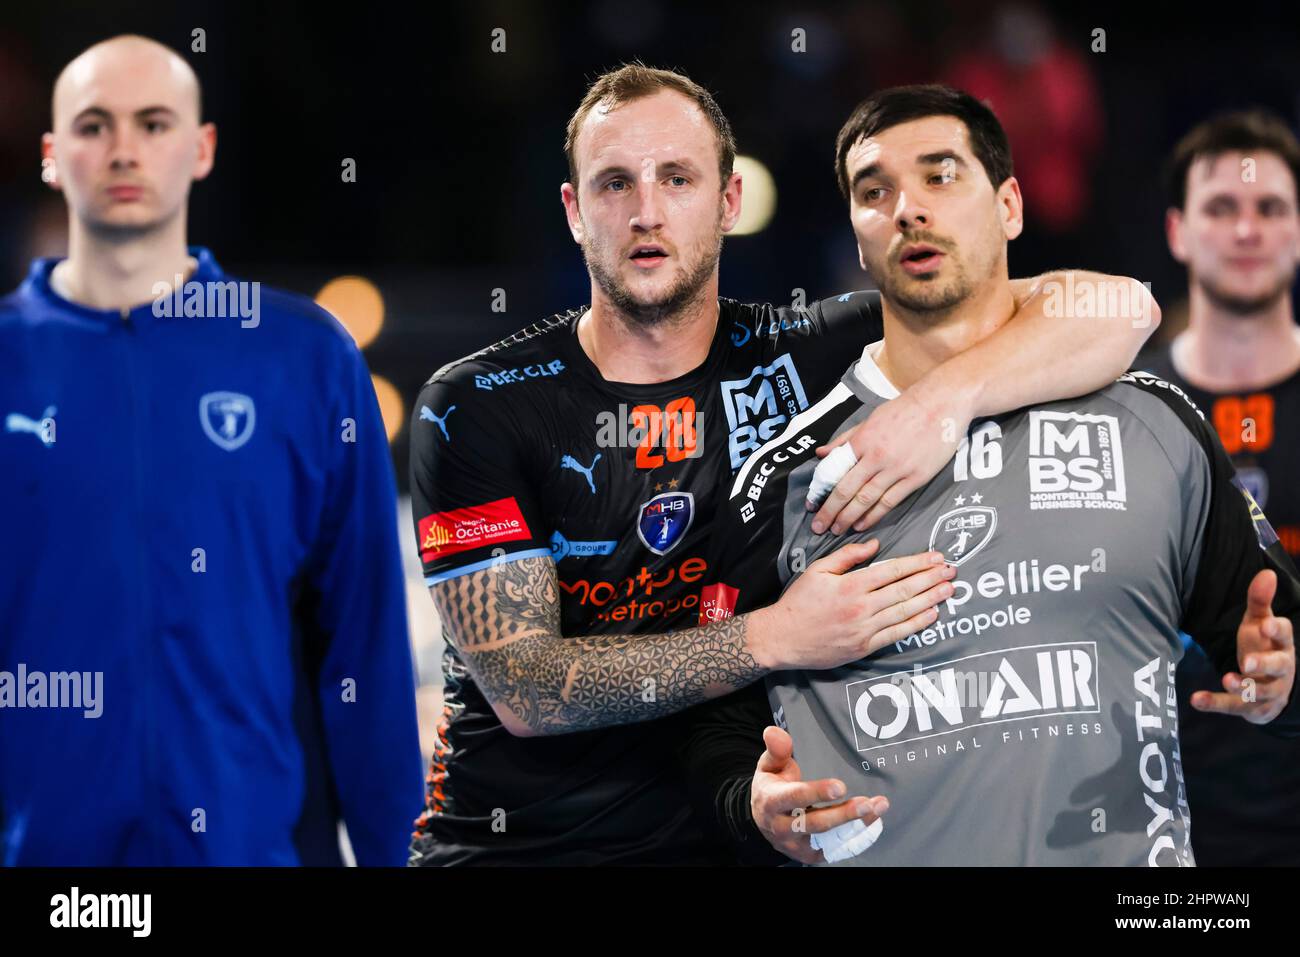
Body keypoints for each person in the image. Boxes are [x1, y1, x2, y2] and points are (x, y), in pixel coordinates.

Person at [407, 64, 1158, 866]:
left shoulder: (819, 351)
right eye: (615, 183)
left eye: (677, 178)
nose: (646, 211)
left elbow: (1121, 307)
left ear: (730, 201)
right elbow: (526, 688)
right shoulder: (477, 403)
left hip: (743, 831)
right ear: (574, 211)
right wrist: (777, 636)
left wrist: (942, 402)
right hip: (517, 848)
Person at [686, 84, 1299, 866]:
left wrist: (1279, 680)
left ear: (1010, 206)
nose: (908, 208)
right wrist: (750, 803)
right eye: (875, 192)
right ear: (858, 238)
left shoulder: (1154, 422)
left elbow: (1270, 646)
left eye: (941, 176)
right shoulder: (781, 476)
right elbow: (715, 719)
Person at [0, 35, 422, 865]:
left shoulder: (302, 357)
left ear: (202, 148)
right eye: (94, 125)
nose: (124, 149)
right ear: (51, 154)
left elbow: (366, 651)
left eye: (154, 123)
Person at [1140, 110, 1300, 865]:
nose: (1246, 230)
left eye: (1270, 207)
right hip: (1164, 816)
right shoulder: (1128, 404)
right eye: (1221, 207)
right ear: (1178, 231)